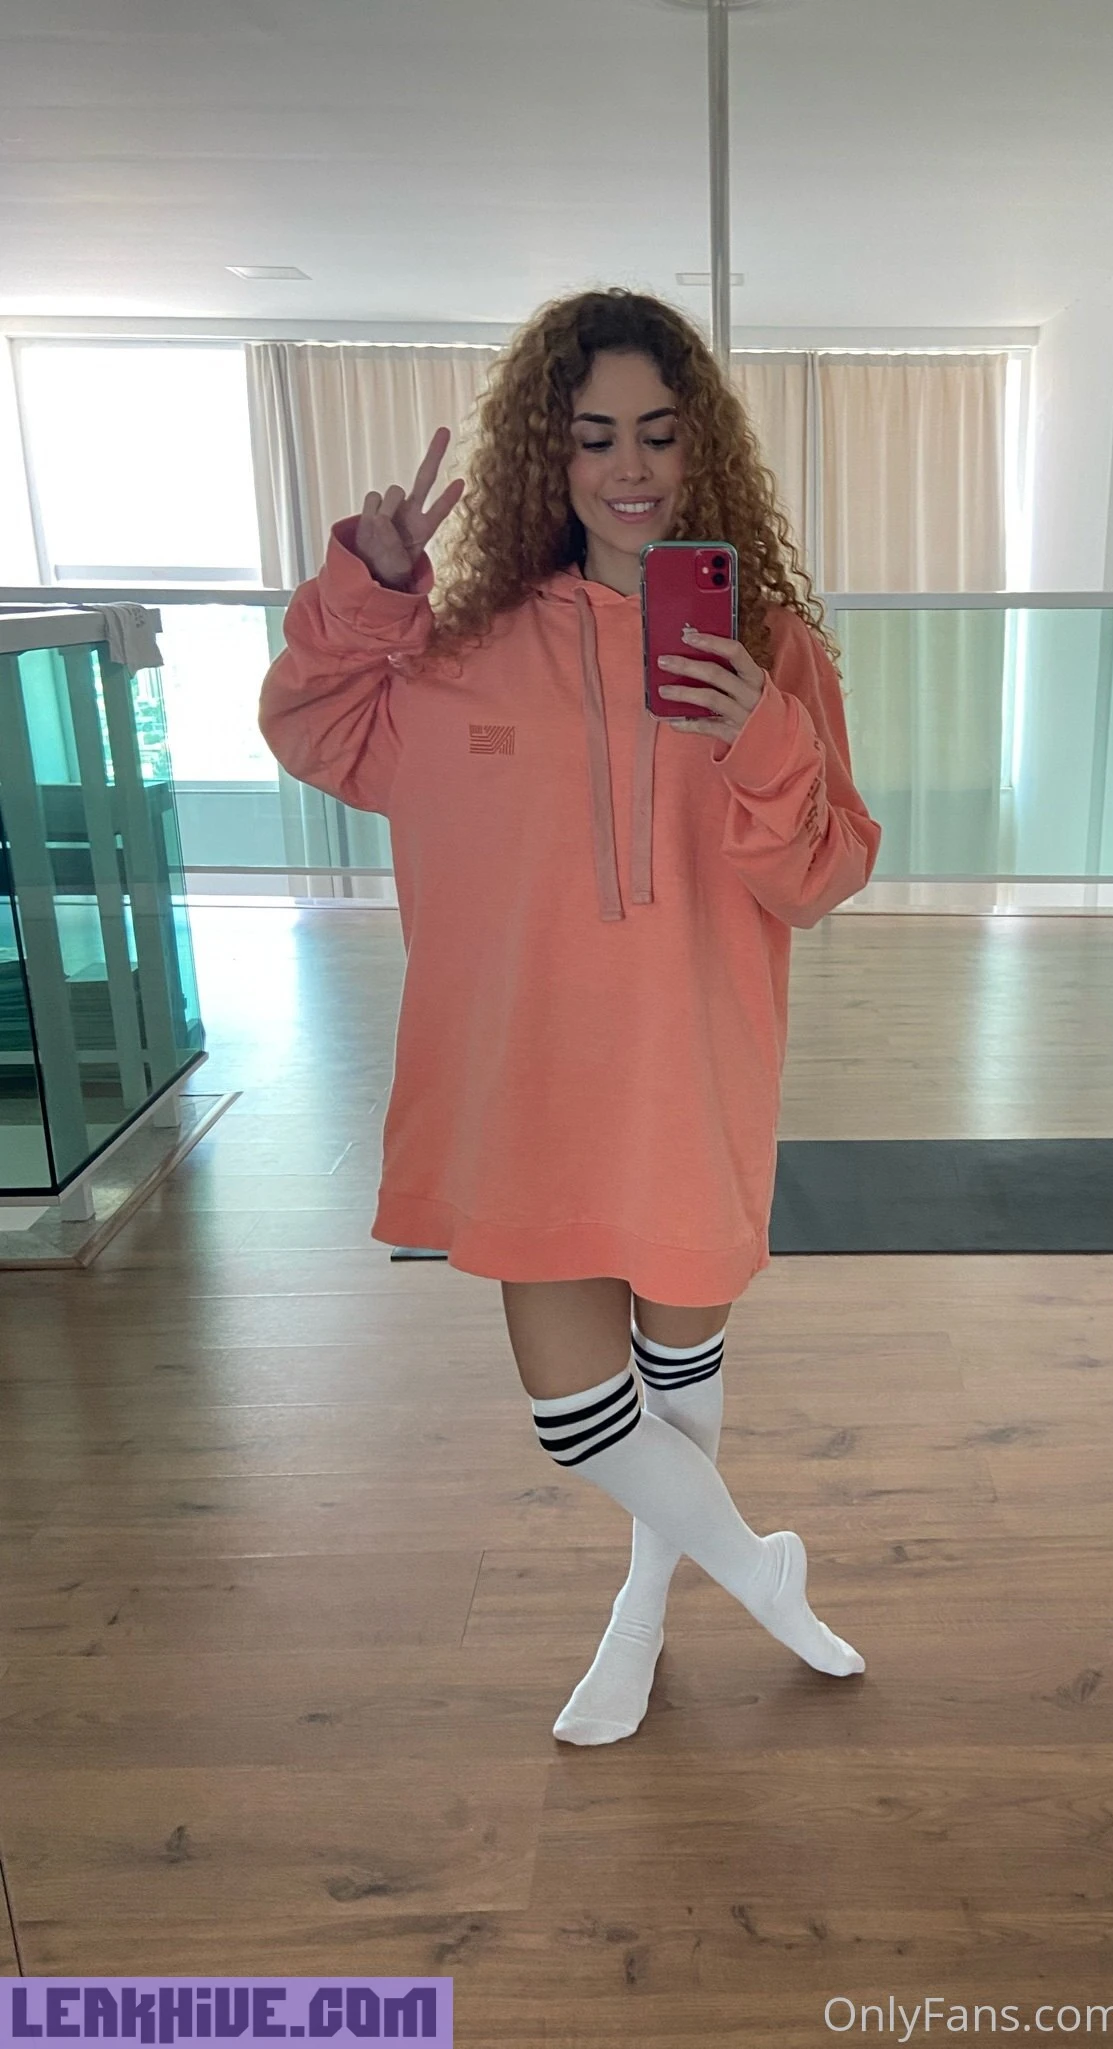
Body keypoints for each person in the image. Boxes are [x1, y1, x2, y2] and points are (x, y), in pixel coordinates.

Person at [258, 287, 882, 1745]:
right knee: (581, 1416)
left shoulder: (770, 645)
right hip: (523, 1086)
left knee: (677, 1384)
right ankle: (759, 1572)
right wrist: (372, 590)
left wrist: (757, 730)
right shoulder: (456, 646)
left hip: (690, 1072)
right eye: (595, 435)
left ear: (700, 444)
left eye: (658, 431)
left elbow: (825, 870)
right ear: (550, 454)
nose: (630, 467)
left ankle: (642, 1613)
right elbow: (317, 732)